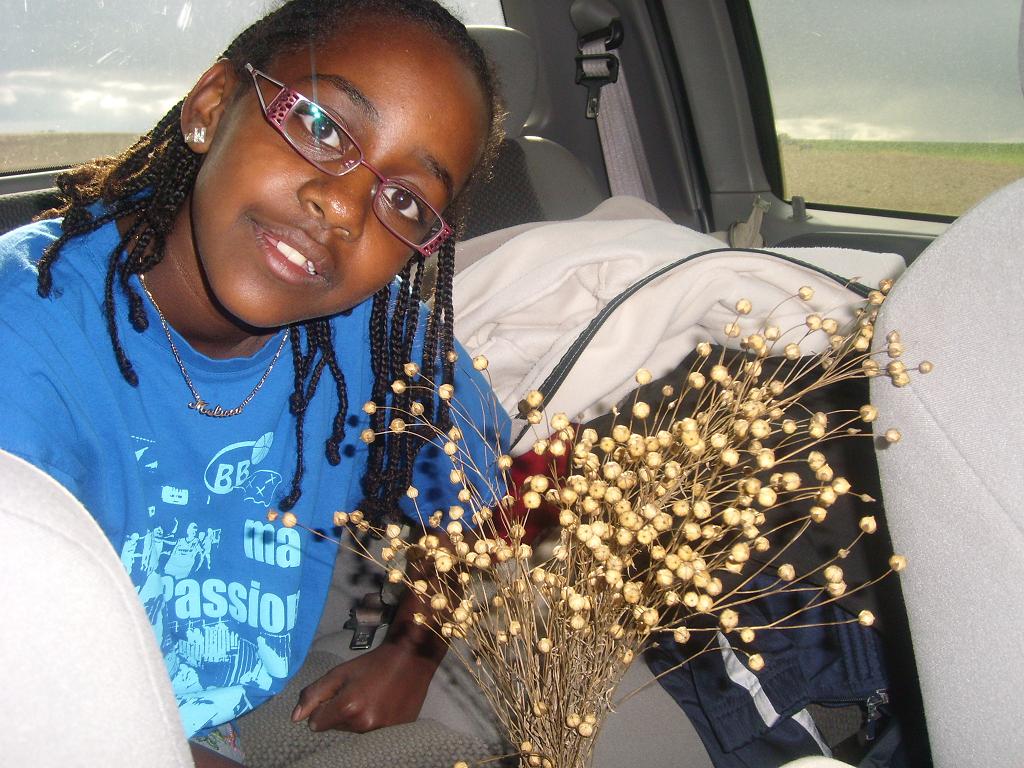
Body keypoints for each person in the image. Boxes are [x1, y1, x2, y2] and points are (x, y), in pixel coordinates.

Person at [0, 0, 508, 765]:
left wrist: (412, 651)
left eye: (404, 200)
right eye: (322, 127)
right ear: (210, 108)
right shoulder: (28, 334)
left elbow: (503, 493)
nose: (339, 207)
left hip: (238, 709)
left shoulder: (375, 331)